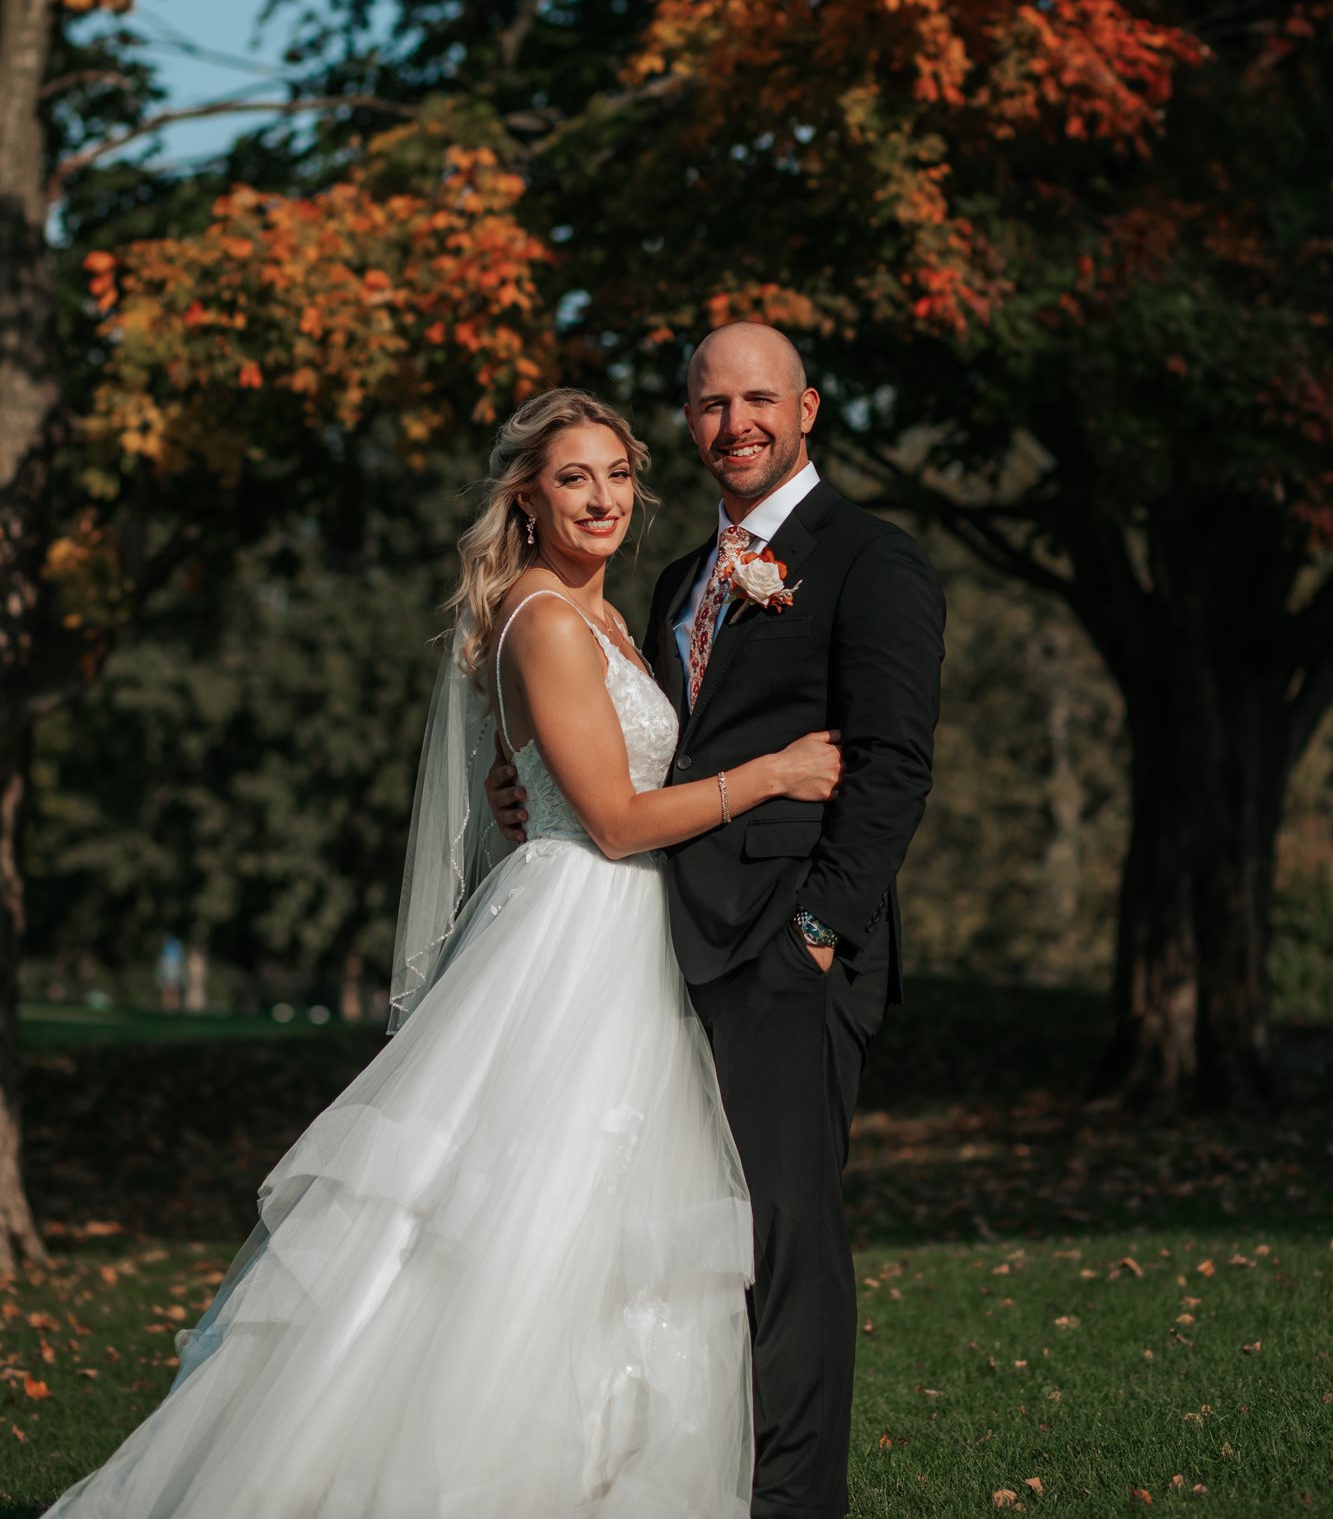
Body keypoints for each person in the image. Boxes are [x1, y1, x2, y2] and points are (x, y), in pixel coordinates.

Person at [43, 386, 841, 1519]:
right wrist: (772, 774)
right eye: (573, 477)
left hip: (620, 934)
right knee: (528, 1216)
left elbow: (572, 778)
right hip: (579, 935)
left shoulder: (608, 615)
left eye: (618, 474)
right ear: (526, 498)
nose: (602, 498)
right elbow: (616, 821)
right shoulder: (548, 618)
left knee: (597, 1220)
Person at [488, 326, 945, 1519]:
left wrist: (818, 930)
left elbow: (891, 766)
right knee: (693, 1241)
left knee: (785, 1239)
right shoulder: (677, 578)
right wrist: (528, 779)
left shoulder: (871, 559)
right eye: (708, 403)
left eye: (757, 399)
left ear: (806, 409)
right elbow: (641, 752)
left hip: (790, 947)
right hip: (661, 944)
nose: (733, 422)